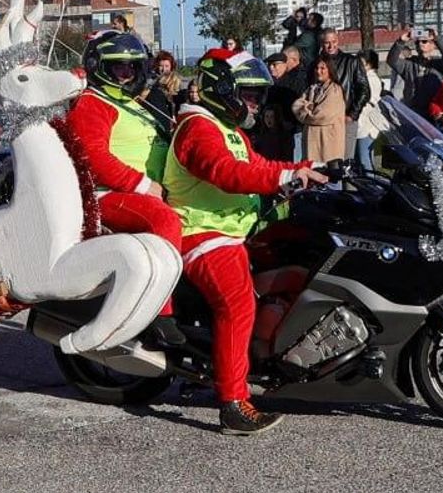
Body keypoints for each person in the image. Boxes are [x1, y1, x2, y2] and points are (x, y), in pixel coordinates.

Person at [164, 53, 324, 435]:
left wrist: (311, 168)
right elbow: (226, 172)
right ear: (224, 91)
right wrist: (281, 181)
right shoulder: (198, 128)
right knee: (236, 303)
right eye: (248, 93)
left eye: (258, 94)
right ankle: (234, 404)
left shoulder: (226, 128)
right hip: (204, 234)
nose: (255, 102)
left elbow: (259, 165)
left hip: (236, 229)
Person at [65, 32, 186, 347]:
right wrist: (147, 186)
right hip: (108, 195)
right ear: (101, 66)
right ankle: (159, 313)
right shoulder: (93, 102)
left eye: (132, 66)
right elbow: (95, 158)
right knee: (165, 221)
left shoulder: (134, 102)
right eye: (119, 66)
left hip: (150, 190)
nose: (127, 72)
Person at [315, 28, 368, 153]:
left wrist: (352, 114)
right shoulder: (315, 63)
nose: (331, 45)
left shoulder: (352, 61)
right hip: (323, 121)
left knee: (344, 161)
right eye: (327, 42)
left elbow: (364, 90)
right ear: (322, 43)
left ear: (338, 41)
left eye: (334, 41)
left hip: (345, 119)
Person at [292, 56, 347, 164]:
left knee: (327, 177)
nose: (318, 71)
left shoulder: (334, 90)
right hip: (311, 143)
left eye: (323, 68)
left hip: (327, 144)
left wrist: (306, 110)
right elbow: (296, 106)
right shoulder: (312, 88)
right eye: (317, 68)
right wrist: (310, 108)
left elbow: (321, 116)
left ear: (329, 70)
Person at [353, 52, 386, 171]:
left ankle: (373, 187)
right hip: (361, 125)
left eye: (360, 63)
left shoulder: (371, 79)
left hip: (366, 126)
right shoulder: (363, 78)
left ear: (369, 64)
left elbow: (367, 101)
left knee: (365, 162)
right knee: (360, 162)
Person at [141, 51, 181, 127]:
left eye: (166, 66)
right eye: (161, 66)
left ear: (171, 67)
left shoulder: (176, 81)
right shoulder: (151, 80)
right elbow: (142, 98)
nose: (163, 69)